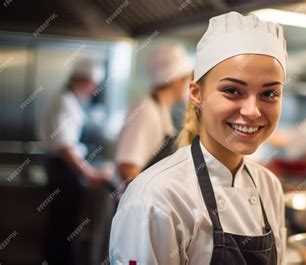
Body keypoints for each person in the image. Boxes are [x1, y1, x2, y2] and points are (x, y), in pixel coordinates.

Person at [109, 11, 288, 265]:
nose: (252, 111)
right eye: (232, 90)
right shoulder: (154, 199)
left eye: (269, 94)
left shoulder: (270, 187)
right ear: (196, 94)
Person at [39, 59, 109, 265]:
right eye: (93, 85)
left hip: (61, 168)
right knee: (63, 225)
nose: (94, 90)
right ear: (83, 80)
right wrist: (88, 173)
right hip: (63, 170)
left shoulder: (66, 98)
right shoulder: (65, 102)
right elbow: (64, 146)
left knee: (60, 224)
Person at [115, 45, 192, 182]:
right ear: (174, 80)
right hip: (138, 202)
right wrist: (152, 198)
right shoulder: (146, 111)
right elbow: (126, 168)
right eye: (186, 79)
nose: (189, 84)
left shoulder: (161, 110)